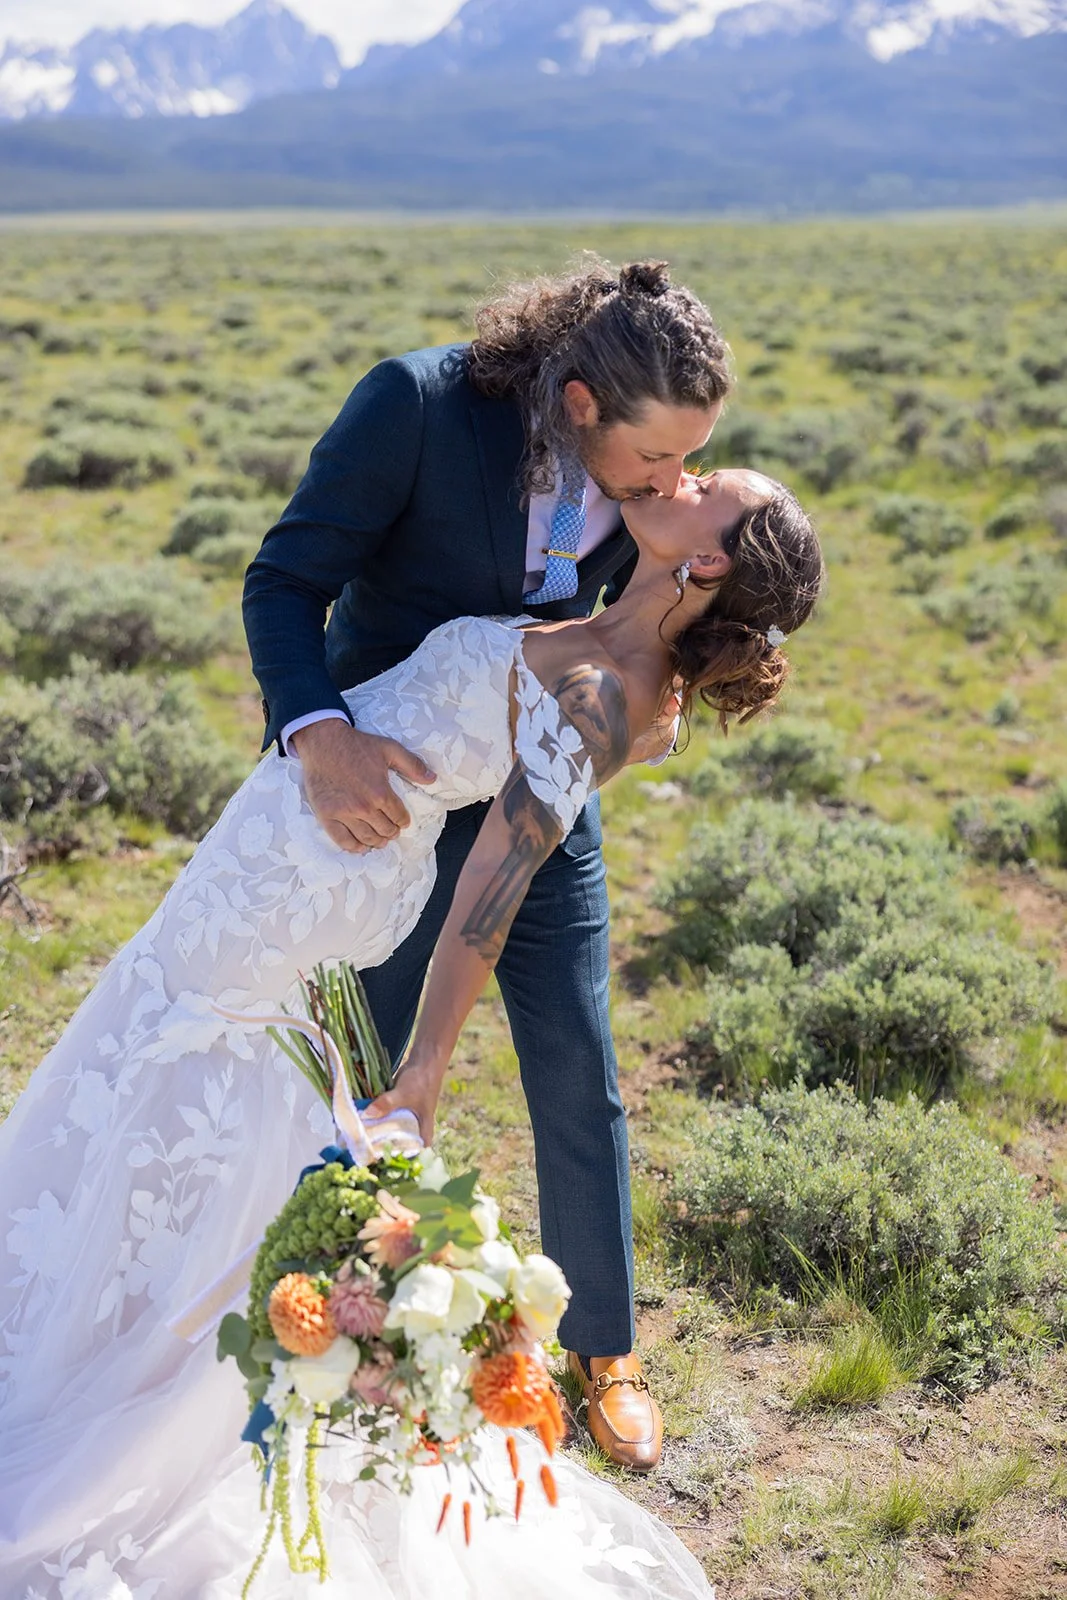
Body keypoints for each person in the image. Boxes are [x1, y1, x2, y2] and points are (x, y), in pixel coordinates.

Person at [0, 462, 822, 1599]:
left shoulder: (613, 687)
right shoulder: (600, 615)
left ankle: (128, 1392)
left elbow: (492, 891)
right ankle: (111, 1343)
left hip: (314, 867)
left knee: (178, 1058)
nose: (677, 475)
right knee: (183, 1078)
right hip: (300, 830)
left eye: (704, 484)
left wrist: (426, 1069)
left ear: (710, 559)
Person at [242, 259, 733, 1471]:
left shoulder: (655, 472)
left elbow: (682, 599)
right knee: (363, 1054)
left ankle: (605, 1348)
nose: (672, 487)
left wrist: (665, 693)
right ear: (577, 402)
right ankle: (322, 1315)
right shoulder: (411, 409)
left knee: (576, 1054)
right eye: (652, 465)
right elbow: (282, 580)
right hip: (386, 788)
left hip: (542, 786)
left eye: (688, 463)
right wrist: (321, 737)